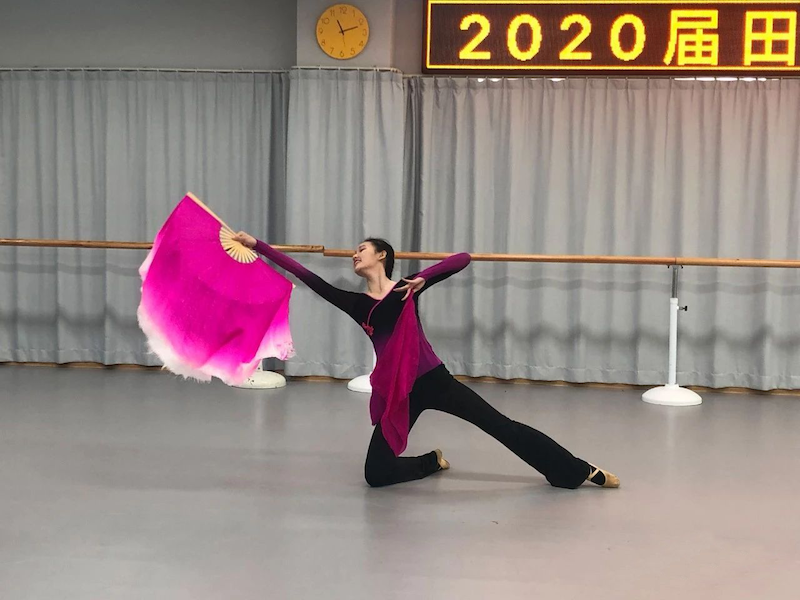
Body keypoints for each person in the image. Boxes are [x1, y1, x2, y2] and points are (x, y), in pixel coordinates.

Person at [233, 232, 620, 489]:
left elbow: (463, 258)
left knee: (502, 427)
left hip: (435, 380)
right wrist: (259, 245)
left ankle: (576, 470)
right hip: (400, 393)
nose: (355, 254)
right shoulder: (355, 304)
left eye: (362, 249)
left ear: (382, 255)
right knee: (375, 474)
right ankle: (431, 462)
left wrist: (425, 277)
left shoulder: (406, 289)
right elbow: (304, 274)